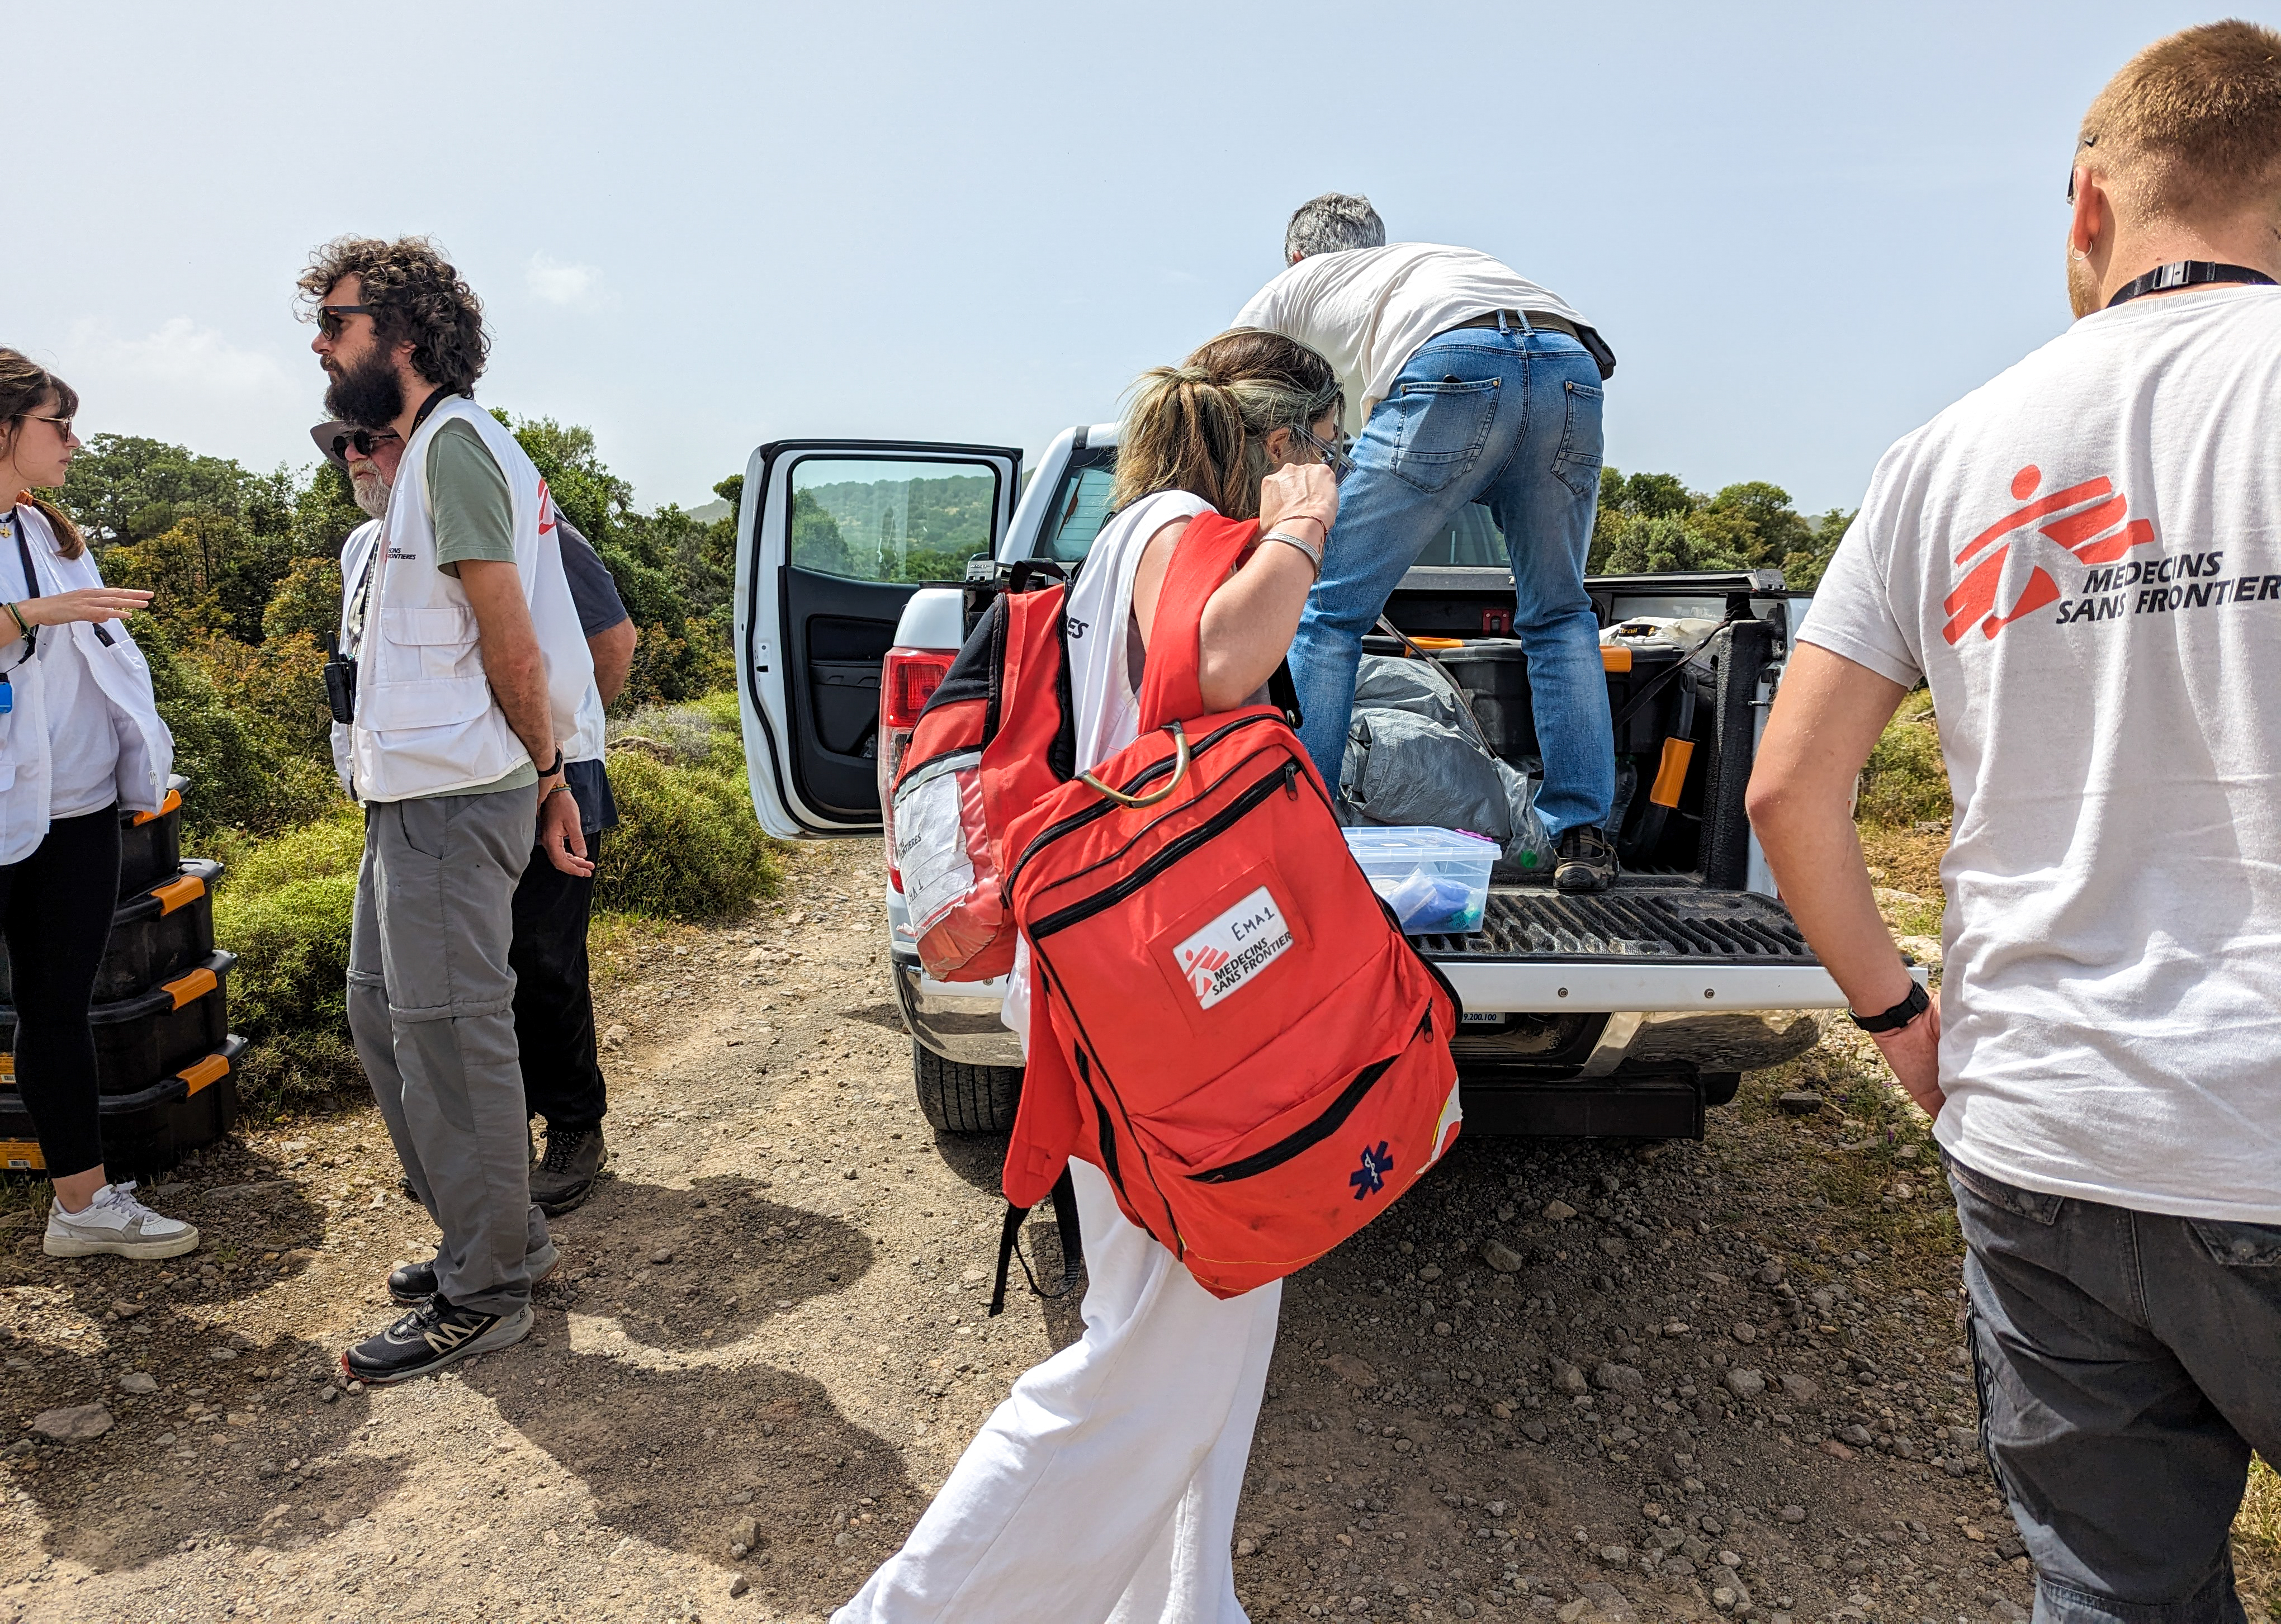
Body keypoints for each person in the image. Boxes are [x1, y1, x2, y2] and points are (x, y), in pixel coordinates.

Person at [1746, 23, 2281, 1624]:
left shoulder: (1949, 455)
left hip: (2045, 1132)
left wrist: (1903, 1018)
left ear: (2087, 208)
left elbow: (1790, 788)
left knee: (2117, 1591)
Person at [835, 330, 1341, 1624]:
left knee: (1204, 1337)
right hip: (1165, 1014)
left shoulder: (1118, 536)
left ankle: (1181, 1607)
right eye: (1325, 451)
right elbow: (1220, 660)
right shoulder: (1183, 528)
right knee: (1142, 1372)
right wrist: (1299, 532)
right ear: (1280, 443)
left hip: (1125, 992)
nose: (1333, 470)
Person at [302, 236, 605, 1384]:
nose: (323, 351)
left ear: (405, 334)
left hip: (455, 799)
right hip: (408, 802)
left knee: (454, 1038)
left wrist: (548, 778)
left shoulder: (456, 450)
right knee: (386, 1019)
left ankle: (488, 1289)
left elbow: (511, 638)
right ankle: (493, 1235)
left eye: (336, 325)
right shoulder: (424, 461)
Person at [1229, 195, 1621, 892]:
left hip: (1454, 361)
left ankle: (1305, 824)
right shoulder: (1418, 271)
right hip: (1571, 363)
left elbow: (1216, 400)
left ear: (1296, 256)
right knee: (1561, 617)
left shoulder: (1294, 288)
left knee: (1323, 611)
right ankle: (1582, 835)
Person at [314, 418, 635, 1214]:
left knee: (541, 959)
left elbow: (612, 640)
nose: (354, 455)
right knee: (453, 980)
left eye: (368, 437)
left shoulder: (524, 527)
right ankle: (487, 1151)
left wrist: (557, 744)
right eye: (337, 445)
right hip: (430, 788)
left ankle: (573, 1126)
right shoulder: (366, 549)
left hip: (540, 771)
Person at [0, 352, 193, 1261]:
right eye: (56, 424)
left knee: (56, 1010)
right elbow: (41, 632)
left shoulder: (50, 531)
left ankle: (81, 1204)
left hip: (74, 818)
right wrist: (30, 617)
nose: (73, 442)